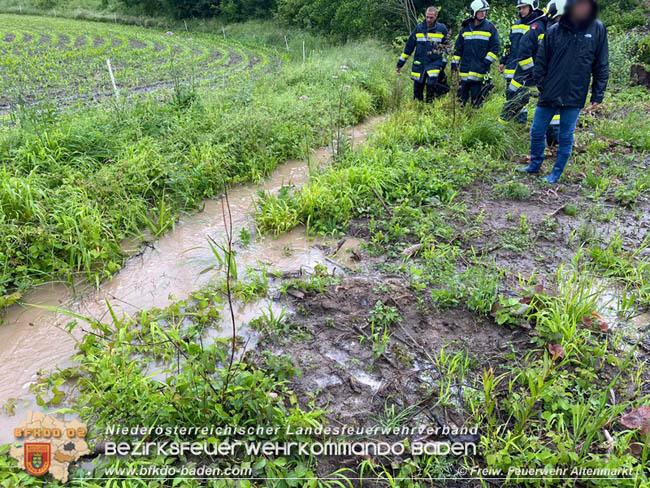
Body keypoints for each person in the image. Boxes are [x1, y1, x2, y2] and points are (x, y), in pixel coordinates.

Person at [518, 0, 609, 183]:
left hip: (575, 94)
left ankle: (556, 174)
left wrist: (597, 94)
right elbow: (541, 62)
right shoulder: (553, 31)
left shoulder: (597, 29)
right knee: (537, 131)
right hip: (549, 92)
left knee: (565, 135)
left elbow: (601, 64)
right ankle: (534, 165)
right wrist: (542, 85)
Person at [499, 0, 547, 124]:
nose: (521, 11)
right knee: (511, 95)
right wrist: (503, 60)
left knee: (523, 97)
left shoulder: (538, 26)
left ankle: (520, 123)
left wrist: (532, 71)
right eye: (519, 8)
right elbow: (508, 44)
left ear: (532, 7)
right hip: (512, 67)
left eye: (523, 8)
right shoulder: (515, 24)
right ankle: (510, 124)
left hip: (526, 70)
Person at [451, 0, 500, 106]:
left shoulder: (490, 28)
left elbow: (495, 47)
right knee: (460, 101)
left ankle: (475, 120)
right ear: (474, 12)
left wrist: (486, 62)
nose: (483, 13)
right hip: (464, 71)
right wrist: (454, 66)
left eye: (485, 11)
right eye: (481, 11)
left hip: (480, 72)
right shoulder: (465, 29)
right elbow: (458, 49)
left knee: (477, 102)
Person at [397, 7, 450, 103]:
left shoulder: (442, 29)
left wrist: (443, 64)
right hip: (419, 64)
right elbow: (409, 47)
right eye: (427, 17)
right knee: (417, 91)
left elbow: (447, 48)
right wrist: (400, 63)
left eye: (431, 17)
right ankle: (417, 110)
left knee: (431, 88)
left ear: (436, 17)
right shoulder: (419, 29)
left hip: (434, 64)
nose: (428, 20)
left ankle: (429, 111)